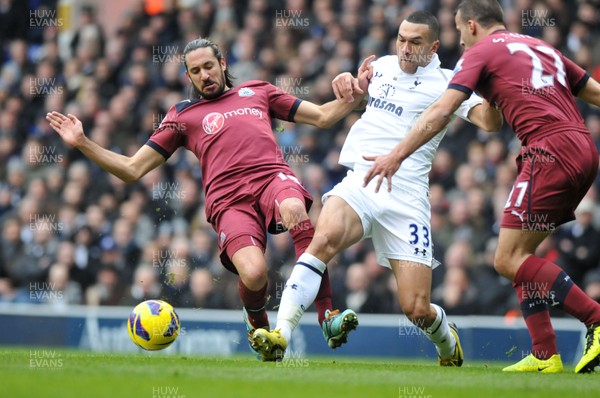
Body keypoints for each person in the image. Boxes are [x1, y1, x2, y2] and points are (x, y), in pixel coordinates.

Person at [46, 37, 371, 360]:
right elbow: (132, 169)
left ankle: (326, 316)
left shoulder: (258, 91)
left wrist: (356, 91)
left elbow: (324, 116)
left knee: (294, 208)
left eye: (209, 66)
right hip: (228, 202)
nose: (204, 75)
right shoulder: (182, 116)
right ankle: (258, 326)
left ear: (223, 64)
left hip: (271, 178)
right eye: (196, 71)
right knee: (256, 273)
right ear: (188, 77)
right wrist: (83, 143)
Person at [251, 11, 502, 365]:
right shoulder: (381, 66)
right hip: (363, 181)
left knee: (416, 308)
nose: (405, 48)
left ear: (433, 46)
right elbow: (353, 96)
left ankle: (447, 342)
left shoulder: (451, 83)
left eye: (415, 42)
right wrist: (346, 85)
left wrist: (493, 87)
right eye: (401, 38)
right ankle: (282, 334)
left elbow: (490, 123)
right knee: (322, 240)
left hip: (407, 197)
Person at [362, 0, 600, 374]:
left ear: (471, 25)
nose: (458, 40)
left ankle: (596, 320)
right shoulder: (541, 47)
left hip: (549, 151)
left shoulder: (481, 51)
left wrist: (397, 155)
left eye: (458, 31)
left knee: (506, 259)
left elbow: (441, 111)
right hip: (583, 148)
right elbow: (593, 92)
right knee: (521, 257)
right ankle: (545, 353)